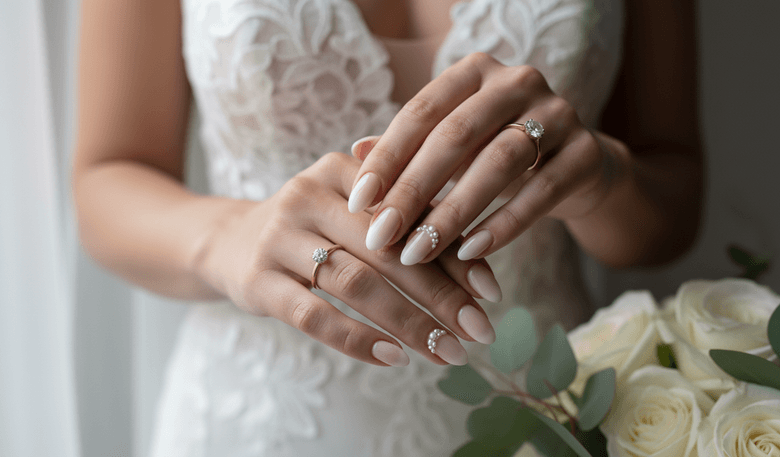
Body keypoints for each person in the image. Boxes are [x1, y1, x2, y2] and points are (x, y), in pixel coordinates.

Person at [72, 0, 701, 455]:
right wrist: (231, 236)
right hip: (264, 414)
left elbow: (671, 213)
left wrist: (601, 177)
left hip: (547, 401)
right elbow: (105, 178)